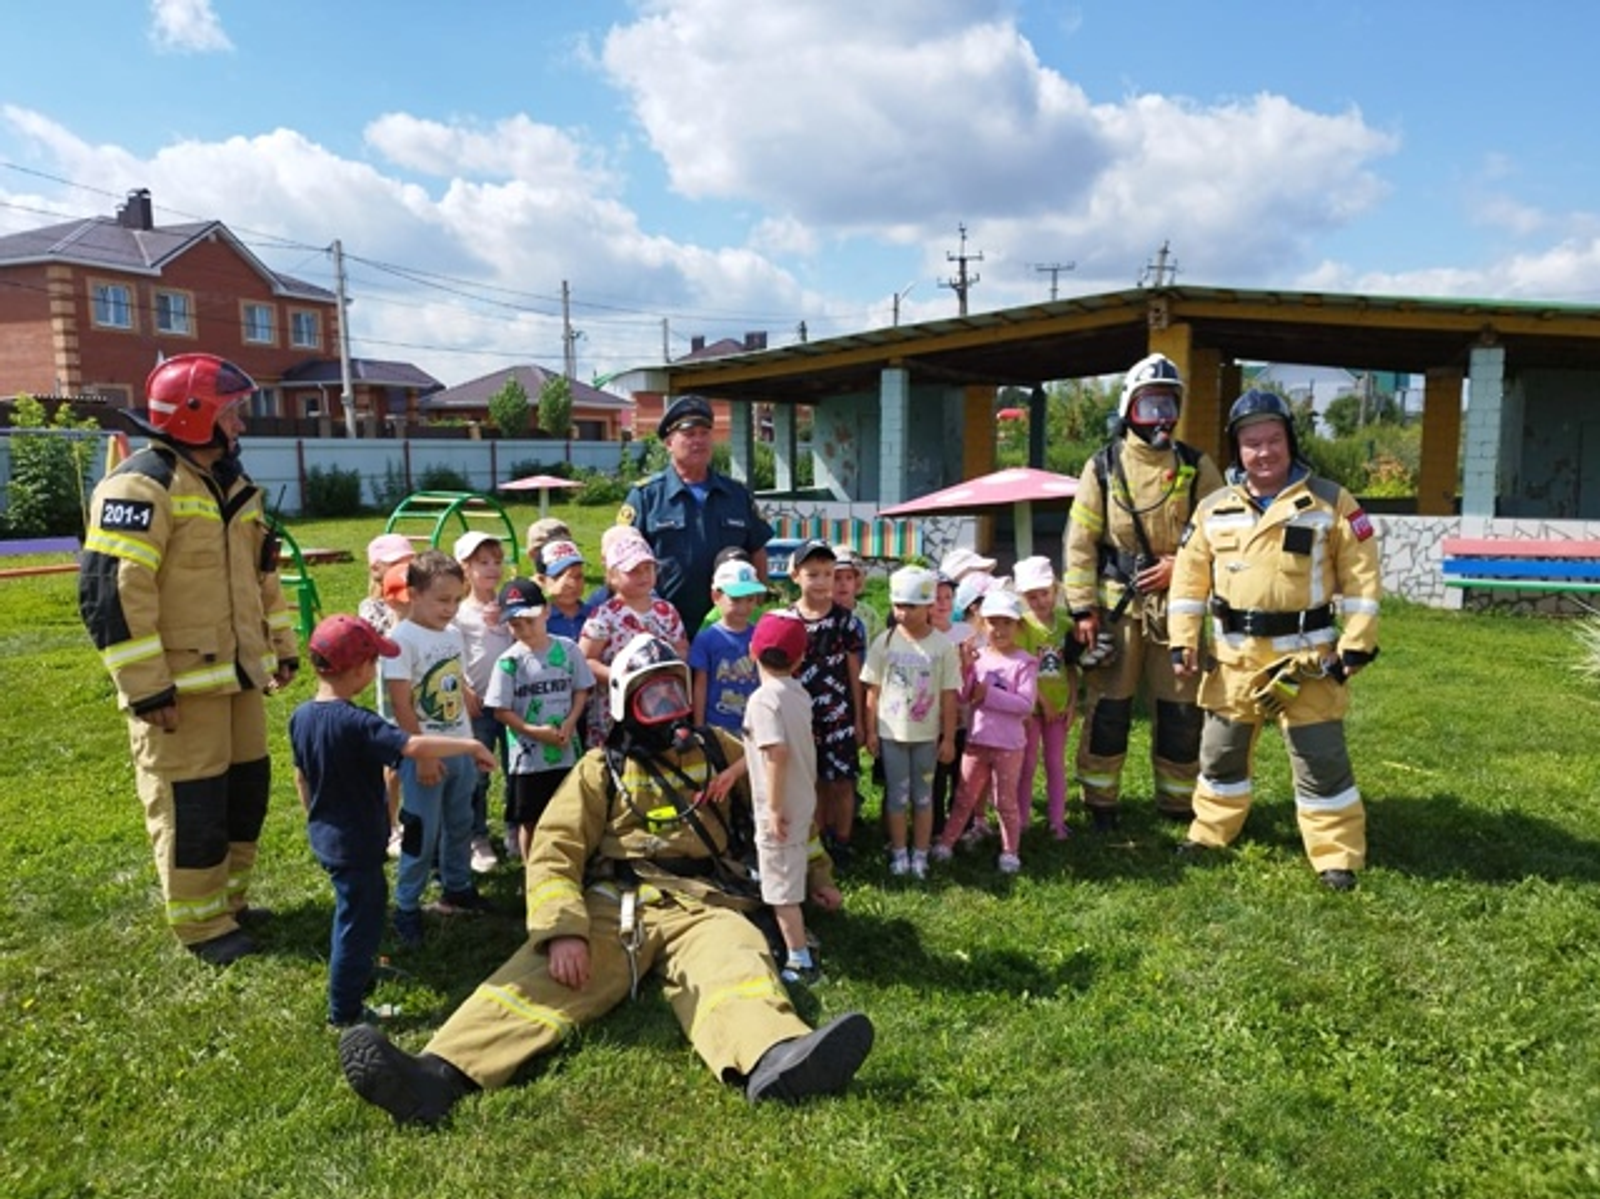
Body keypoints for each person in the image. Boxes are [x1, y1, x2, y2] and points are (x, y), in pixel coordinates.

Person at [337, 634, 874, 1124]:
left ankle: (776, 1058)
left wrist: (817, 873)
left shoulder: (719, 749)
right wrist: (562, 929)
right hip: (616, 905)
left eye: (674, 692)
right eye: (653, 697)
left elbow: (778, 807)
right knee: (538, 979)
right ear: (624, 703)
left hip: (707, 902)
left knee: (737, 961)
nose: (668, 709)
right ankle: (435, 1075)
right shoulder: (599, 768)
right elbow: (554, 849)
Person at [78, 353, 297, 965]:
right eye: (233, 414)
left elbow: (263, 579)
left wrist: (279, 648)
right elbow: (113, 592)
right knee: (192, 805)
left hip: (239, 679)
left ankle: (228, 904)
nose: (242, 426)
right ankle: (201, 926)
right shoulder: (140, 485)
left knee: (243, 794)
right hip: (178, 690)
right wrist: (147, 688)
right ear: (198, 415)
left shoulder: (234, 485)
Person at [1169, 390, 1381, 891]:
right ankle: (1210, 833)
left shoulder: (1332, 502)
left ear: (1290, 441)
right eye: (1251, 443)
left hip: (1306, 661)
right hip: (1232, 660)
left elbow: (1362, 579)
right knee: (1219, 756)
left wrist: (1356, 644)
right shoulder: (1213, 508)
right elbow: (1187, 581)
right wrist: (1183, 640)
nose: (1263, 452)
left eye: (1273, 440)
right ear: (1236, 450)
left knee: (1321, 759)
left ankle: (1337, 854)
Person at [291, 615, 497, 1027]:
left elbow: (302, 776)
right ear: (359, 670)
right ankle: (345, 1010)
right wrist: (470, 743)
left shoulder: (301, 716)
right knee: (358, 923)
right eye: (373, 664)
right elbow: (413, 744)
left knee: (356, 911)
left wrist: (313, 816)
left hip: (328, 835)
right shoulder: (358, 724)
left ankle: (358, 975)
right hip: (358, 842)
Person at [1063, 352, 1225, 830]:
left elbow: (1228, 533)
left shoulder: (1197, 467)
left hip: (1179, 610)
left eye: (1167, 406)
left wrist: (1183, 566)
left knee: (1181, 707)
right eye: (1149, 406)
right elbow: (1079, 543)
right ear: (1129, 408)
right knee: (1109, 707)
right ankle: (1100, 802)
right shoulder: (1104, 467)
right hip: (1119, 607)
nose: (1160, 418)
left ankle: (1178, 801)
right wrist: (1082, 612)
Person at [383, 549, 490, 947]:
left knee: (460, 819)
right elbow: (401, 704)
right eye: (442, 600)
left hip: (458, 745)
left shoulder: (451, 633)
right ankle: (407, 905)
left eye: (457, 600)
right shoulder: (400, 640)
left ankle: (457, 886)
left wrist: (466, 695)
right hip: (424, 755)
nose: (450, 609)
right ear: (413, 594)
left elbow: (452, 674)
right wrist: (423, 755)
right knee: (422, 831)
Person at [618, 394, 775, 633]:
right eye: (689, 434)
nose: (698, 441)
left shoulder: (736, 494)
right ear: (669, 443)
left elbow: (757, 549)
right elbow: (621, 558)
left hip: (730, 623)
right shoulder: (646, 497)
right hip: (663, 624)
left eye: (704, 433)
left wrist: (757, 600)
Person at [484, 577, 594, 860]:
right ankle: (532, 872)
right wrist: (532, 730)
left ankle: (570, 866)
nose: (524, 630)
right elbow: (500, 710)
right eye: (515, 625)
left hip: (566, 750)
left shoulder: (568, 650)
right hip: (528, 760)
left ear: (546, 612)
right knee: (530, 819)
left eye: (530, 621)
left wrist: (570, 722)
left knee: (568, 812)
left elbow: (581, 689)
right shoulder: (509, 662)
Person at [861, 566, 959, 880]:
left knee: (923, 796)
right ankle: (899, 851)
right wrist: (871, 729)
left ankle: (921, 854)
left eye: (911, 606)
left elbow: (948, 696)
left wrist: (948, 738)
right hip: (891, 735)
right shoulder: (884, 642)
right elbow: (872, 690)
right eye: (898, 605)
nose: (902, 612)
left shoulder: (943, 647)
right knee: (896, 796)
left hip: (926, 736)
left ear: (929, 606)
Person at [932, 589, 1038, 874]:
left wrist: (987, 693)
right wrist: (966, 669)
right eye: (993, 622)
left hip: (1008, 745)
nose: (1000, 629)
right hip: (976, 741)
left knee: (1005, 801)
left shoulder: (1024, 662)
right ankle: (946, 842)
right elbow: (965, 696)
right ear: (982, 624)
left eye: (1007, 622)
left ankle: (1010, 851)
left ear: (1018, 626)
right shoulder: (979, 659)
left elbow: (1025, 704)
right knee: (964, 796)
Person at [744, 613, 825, 983]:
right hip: (802, 797)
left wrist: (773, 809)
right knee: (791, 870)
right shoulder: (798, 692)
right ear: (799, 659)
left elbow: (776, 754)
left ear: (751, 652)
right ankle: (802, 936)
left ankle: (800, 960)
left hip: (780, 808)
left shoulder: (763, 701)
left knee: (779, 892)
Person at [788, 540, 866, 868]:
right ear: (795, 576)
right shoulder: (787, 621)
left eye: (828, 574)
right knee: (814, 781)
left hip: (840, 715)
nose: (821, 581)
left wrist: (861, 720)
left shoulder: (846, 622)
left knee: (843, 781)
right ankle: (817, 843)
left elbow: (855, 673)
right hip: (802, 716)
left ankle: (844, 841)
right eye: (813, 574)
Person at [579, 530, 689, 747]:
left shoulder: (666, 611)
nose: (644, 575)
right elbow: (585, 659)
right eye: (633, 571)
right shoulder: (604, 616)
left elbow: (682, 646)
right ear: (612, 576)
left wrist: (671, 670)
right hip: (615, 706)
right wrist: (618, 677)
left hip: (661, 699)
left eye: (648, 568)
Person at [451, 530, 512, 874]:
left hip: (513, 703)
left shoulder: (509, 606)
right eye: (482, 562)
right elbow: (451, 653)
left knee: (517, 769)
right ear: (465, 568)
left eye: (497, 562)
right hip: (480, 706)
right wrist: (463, 689)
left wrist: (507, 621)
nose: (492, 569)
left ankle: (515, 828)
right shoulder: (459, 613)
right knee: (478, 774)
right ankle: (477, 836)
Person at [1013, 556, 1076, 841]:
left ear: (1055, 590)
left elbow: (1073, 667)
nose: (1040, 601)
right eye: (1032, 596)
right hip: (1031, 709)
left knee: (1055, 763)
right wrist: (1041, 702)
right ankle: (1022, 818)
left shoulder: (1066, 625)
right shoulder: (1023, 628)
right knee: (1027, 763)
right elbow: (1023, 670)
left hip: (1060, 710)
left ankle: (1056, 820)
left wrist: (1072, 703)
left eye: (1044, 594)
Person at [689, 558, 767, 735]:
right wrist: (699, 725)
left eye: (750, 599)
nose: (744, 607)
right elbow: (700, 683)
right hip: (717, 725)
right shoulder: (706, 639)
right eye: (736, 600)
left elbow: (765, 678)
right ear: (716, 597)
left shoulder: (759, 635)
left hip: (753, 723)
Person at [532, 537, 594, 642]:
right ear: (542, 580)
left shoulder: (594, 615)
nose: (571, 584)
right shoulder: (538, 620)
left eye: (577, 576)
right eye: (559, 576)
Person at [358, 532, 416, 635]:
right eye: (396, 564)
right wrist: (400, 613)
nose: (405, 569)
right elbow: (382, 645)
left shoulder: (423, 596)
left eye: (409, 563)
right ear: (375, 568)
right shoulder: (371, 608)